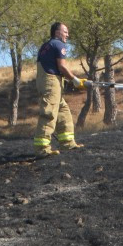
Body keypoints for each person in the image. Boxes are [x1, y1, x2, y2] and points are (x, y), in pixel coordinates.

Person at [33, 22, 88, 156]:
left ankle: (67, 143)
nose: (67, 35)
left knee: (63, 111)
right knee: (49, 112)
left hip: (45, 81)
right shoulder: (58, 44)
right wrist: (75, 80)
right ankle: (42, 149)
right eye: (65, 32)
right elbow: (62, 67)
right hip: (51, 82)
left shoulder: (45, 46)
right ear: (57, 32)